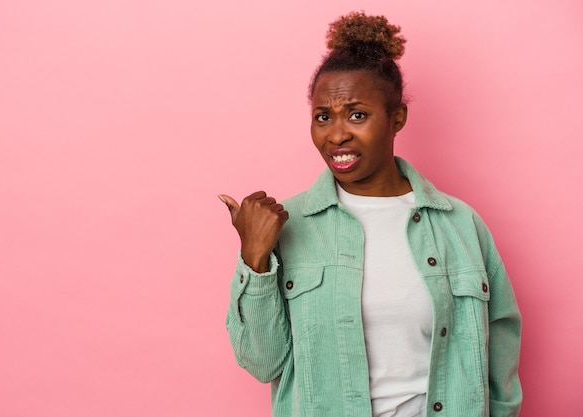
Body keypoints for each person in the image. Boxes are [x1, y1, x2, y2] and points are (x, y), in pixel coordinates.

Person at [219, 11, 521, 417]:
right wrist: (255, 260)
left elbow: (500, 359)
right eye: (323, 117)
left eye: (357, 115)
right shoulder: (285, 224)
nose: (337, 134)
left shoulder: (460, 224)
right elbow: (262, 363)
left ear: (397, 119)